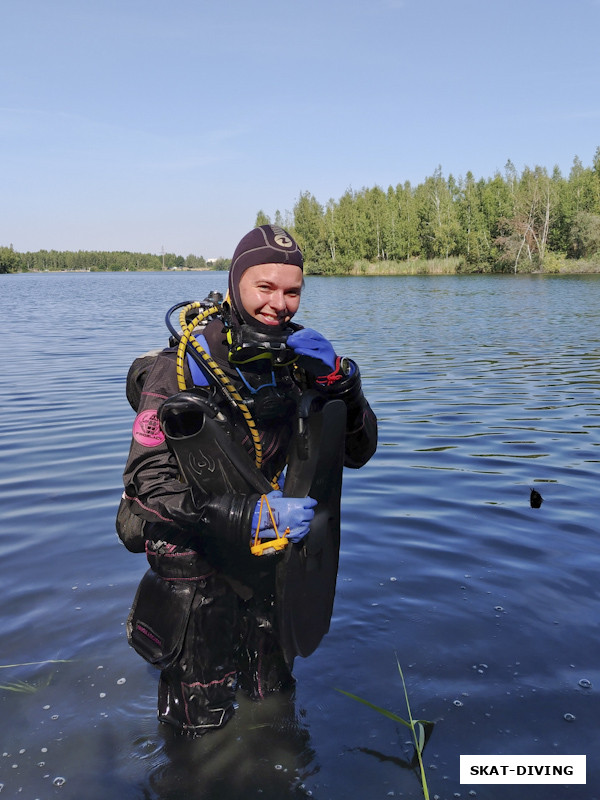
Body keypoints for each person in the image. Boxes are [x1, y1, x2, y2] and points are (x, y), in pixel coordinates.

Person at [117, 224, 377, 735]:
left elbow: (358, 452)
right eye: (265, 287)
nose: (279, 304)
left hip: (264, 553)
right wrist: (249, 513)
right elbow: (146, 484)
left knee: (273, 703)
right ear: (237, 282)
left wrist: (341, 384)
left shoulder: (296, 360)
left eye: (292, 291)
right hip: (193, 560)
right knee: (201, 727)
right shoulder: (181, 368)